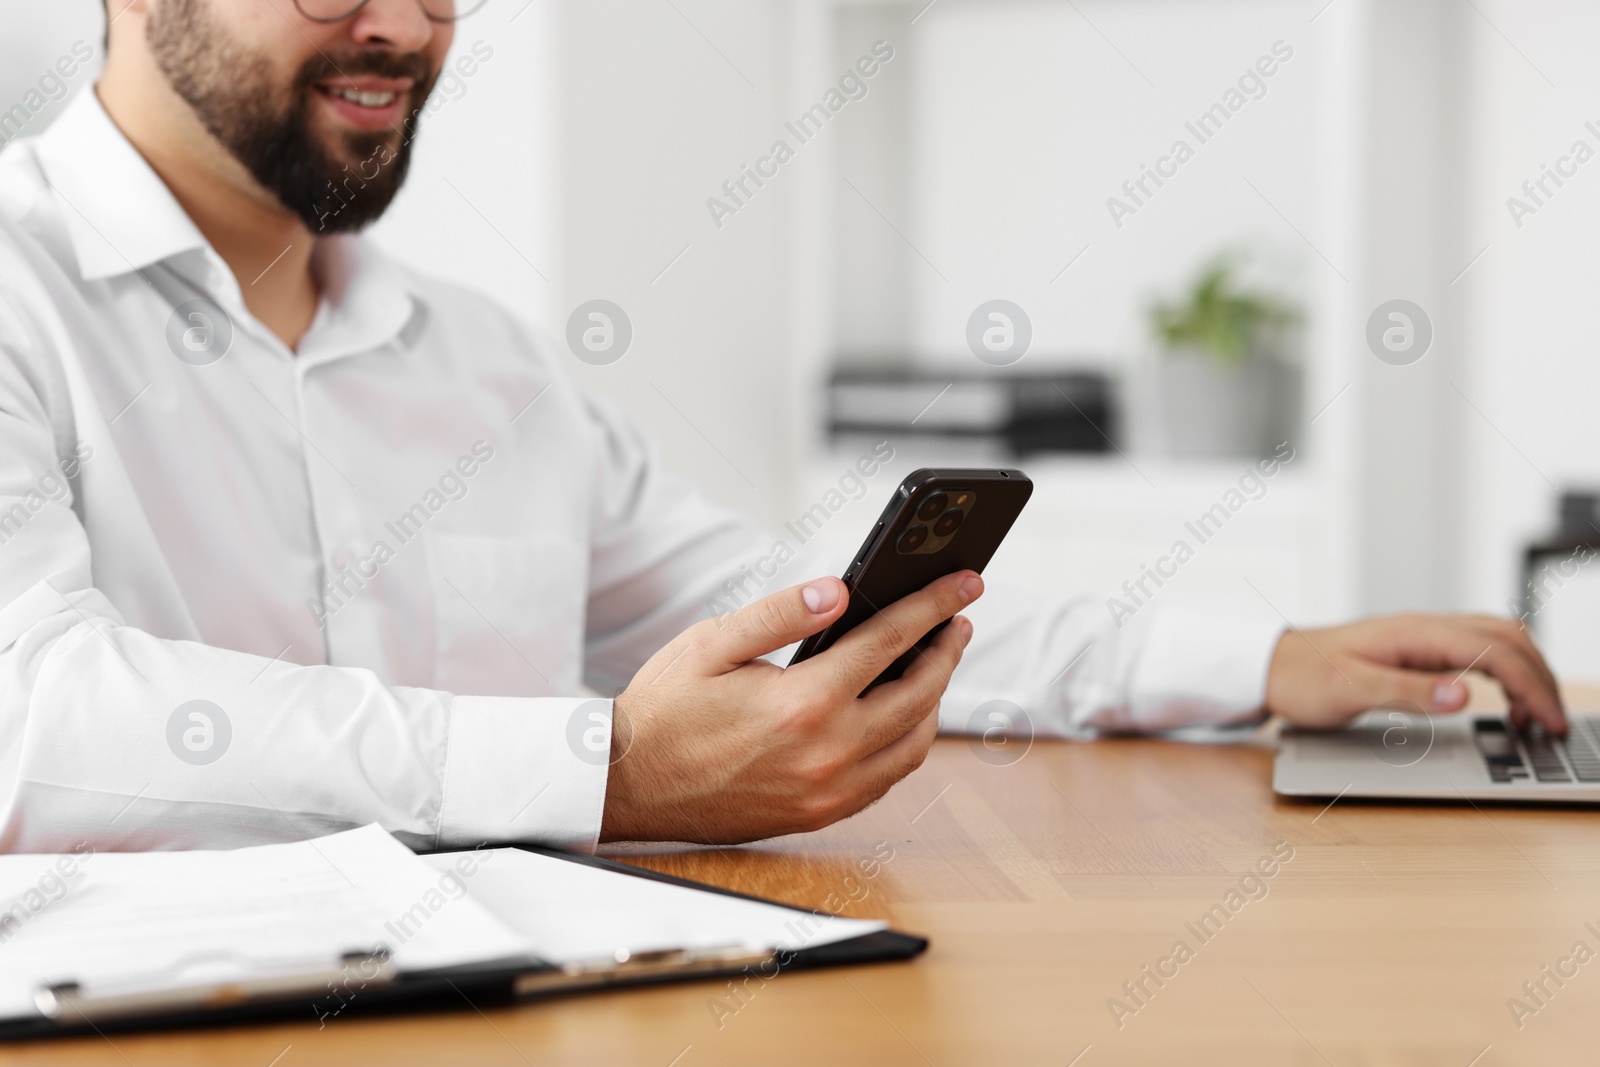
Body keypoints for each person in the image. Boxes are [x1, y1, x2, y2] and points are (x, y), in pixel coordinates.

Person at [0, 0, 1564, 853]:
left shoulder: (484, 369)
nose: (407, 26)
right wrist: (610, 771)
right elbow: (36, 720)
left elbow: (798, 609)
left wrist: (1257, 665)